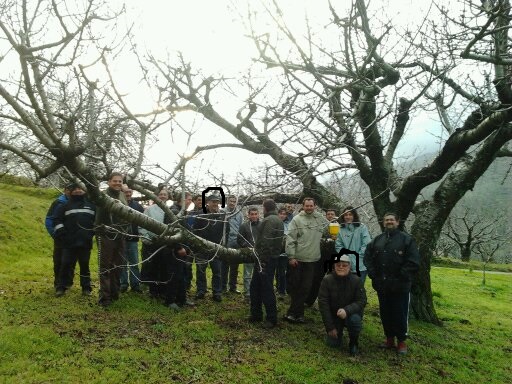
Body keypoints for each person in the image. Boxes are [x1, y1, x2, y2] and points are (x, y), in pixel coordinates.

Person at [363, 212, 420, 355]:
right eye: (386, 220)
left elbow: (413, 262)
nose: (389, 222)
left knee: (400, 313)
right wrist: (373, 275)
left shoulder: (407, 240)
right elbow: (367, 258)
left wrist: (399, 277)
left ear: (397, 222)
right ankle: (389, 339)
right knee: (385, 313)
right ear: (383, 223)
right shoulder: (377, 240)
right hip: (382, 285)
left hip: (400, 286)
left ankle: (401, 342)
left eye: (391, 220)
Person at [284, 197, 328, 323]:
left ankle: (293, 313)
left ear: (315, 206)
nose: (309, 208)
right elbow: (290, 239)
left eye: (311, 206)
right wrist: (291, 256)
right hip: (298, 259)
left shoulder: (319, 218)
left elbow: (328, 229)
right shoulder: (297, 219)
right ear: (303, 206)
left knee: (306, 288)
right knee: (296, 287)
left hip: (312, 259)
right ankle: (297, 314)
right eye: (307, 206)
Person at [318, 254, 366, 356]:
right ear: (334, 266)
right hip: (334, 316)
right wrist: (330, 327)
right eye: (338, 265)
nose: (341, 267)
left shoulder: (357, 280)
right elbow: (323, 304)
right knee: (332, 344)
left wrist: (347, 311)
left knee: (355, 320)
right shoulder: (327, 280)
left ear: (349, 267)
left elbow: (362, 301)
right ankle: (337, 333)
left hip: (351, 314)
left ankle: (353, 342)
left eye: (344, 265)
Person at [53, 184, 96, 297]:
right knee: (65, 265)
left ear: (84, 190)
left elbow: (96, 222)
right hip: (68, 242)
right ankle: (61, 287)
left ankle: (86, 288)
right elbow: (56, 220)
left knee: (84, 265)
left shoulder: (91, 206)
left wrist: (91, 233)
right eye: (75, 189)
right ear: (71, 191)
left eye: (80, 188)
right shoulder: (64, 206)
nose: (78, 191)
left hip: (85, 242)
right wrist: (62, 233)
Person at [95, 172, 128, 307]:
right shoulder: (103, 196)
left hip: (120, 236)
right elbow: (99, 217)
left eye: (120, 181)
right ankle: (105, 297)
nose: (117, 183)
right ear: (109, 182)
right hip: (106, 235)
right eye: (115, 181)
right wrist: (102, 231)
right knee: (105, 267)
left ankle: (114, 292)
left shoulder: (122, 195)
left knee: (117, 265)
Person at [249, 199, 284, 328]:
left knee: (266, 289)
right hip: (269, 259)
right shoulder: (278, 219)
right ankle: (256, 314)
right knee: (256, 286)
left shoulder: (269, 220)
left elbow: (266, 242)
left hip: (265, 260)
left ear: (265, 208)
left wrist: (262, 261)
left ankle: (271, 318)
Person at [192, 194, 229, 302]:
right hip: (202, 248)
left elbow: (226, 230)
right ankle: (201, 291)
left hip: (216, 248)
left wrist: (223, 245)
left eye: (217, 202)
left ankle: (217, 292)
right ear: (207, 203)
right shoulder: (200, 214)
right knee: (201, 271)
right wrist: (197, 244)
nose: (215, 204)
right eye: (213, 202)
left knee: (217, 271)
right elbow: (195, 230)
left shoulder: (222, 215)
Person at [139, 188, 172, 299]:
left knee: (164, 268)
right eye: (160, 194)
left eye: (165, 194)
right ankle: (153, 291)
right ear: (156, 196)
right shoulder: (149, 210)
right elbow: (142, 225)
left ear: (168, 197)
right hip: (151, 244)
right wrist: (147, 239)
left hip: (165, 244)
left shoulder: (170, 211)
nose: (162, 196)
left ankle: (163, 291)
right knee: (152, 268)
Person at [45, 183, 75, 290]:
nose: (71, 192)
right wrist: (54, 234)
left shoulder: (76, 202)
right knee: (58, 260)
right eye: (69, 190)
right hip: (60, 237)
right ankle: (58, 282)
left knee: (71, 261)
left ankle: (69, 282)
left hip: (73, 238)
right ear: (65, 190)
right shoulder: (58, 202)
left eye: (73, 190)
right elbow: (48, 219)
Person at [305, 208, 337, 307]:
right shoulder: (322, 226)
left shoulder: (339, 226)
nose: (330, 216)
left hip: (335, 257)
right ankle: (310, 301)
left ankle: (330, 303)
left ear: (335, 215)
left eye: (332, 214)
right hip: (322, 257)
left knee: (332, 280)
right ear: (326, 216)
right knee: (317, 279)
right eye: (328, 214)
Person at [335, 206, 372, 286]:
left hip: (361, 265)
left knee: (359, 289)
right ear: (343, 216)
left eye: (350, 214)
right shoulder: (340, 229)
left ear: (354, 215)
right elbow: (338, 246)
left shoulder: (362, 227)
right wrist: (346, 257)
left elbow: (366, 244)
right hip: (346, 265)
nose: (348, 217)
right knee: (346, 289)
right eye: (345, 215)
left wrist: (357, 256)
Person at [120, 185, 144, 293]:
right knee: (122, 262)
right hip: (121, 238)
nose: (128, 194)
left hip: (133, 240)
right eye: (126, 192)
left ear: (132, 192)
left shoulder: (138, 206)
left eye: (130, 192)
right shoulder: (118, 204)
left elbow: (143, 222)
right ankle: (123, 284)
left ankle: (135, 285)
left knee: (134, 262)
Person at [237, 207, 261, 300]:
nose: (254, 216)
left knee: (259, 273)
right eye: (252, 214)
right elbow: (239, 239)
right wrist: (247, 247)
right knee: (247, 274)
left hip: (260, 254)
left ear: (258, 214)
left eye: (256, 214)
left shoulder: (262, 225)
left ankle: (258, 291)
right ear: (249, 215)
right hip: (248, 254)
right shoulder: (244, 226)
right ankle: (247, 293)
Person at [221, 195, 243, 293]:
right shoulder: (222, 212)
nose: (232, 203)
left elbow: (241, 228)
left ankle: (233, 287)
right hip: (226, 241)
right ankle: (223, 287)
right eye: (230, 201)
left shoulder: (239, 213)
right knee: (224, 266)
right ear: (227, 201)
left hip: (236, 242)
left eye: (234, 201)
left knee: (235, 266)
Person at [275, 208, 289, 300]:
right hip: (275, 252)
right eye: (281, 213)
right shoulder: (275, 223)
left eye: (284, 214)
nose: (282, 215)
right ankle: (277, 287)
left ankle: (282, 291)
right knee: (276, 272)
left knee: (282, 272)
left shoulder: (288, 225)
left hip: (284, 254)